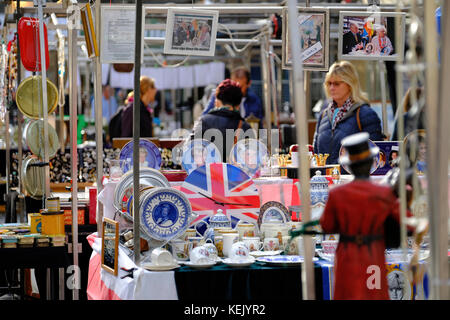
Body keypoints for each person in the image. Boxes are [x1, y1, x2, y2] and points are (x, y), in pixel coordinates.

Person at [319, 132, 413, 300]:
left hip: (347, 256)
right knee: (374, 293)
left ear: (350, 166)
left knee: (347, 294)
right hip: (373, 254)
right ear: (371, 162)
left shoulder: (337, 194)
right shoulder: (384, 193)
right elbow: (409, 222)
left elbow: (327, 225)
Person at [313, 61, 383, 164]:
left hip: (353, 179)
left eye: (337, 83)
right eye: (329, 83)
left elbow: (375, 156)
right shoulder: (323, 115)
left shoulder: (365, 114)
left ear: (350, 84)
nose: (331, 88)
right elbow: (316, 153)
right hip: (325, 179)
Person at [192, 79, 254, 162]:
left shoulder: (203, 122)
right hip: (235, 174)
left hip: (207, 174)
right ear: (238, 103)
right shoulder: (245, 127)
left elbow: (189, 152)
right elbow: (252, 161)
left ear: (216, 101)